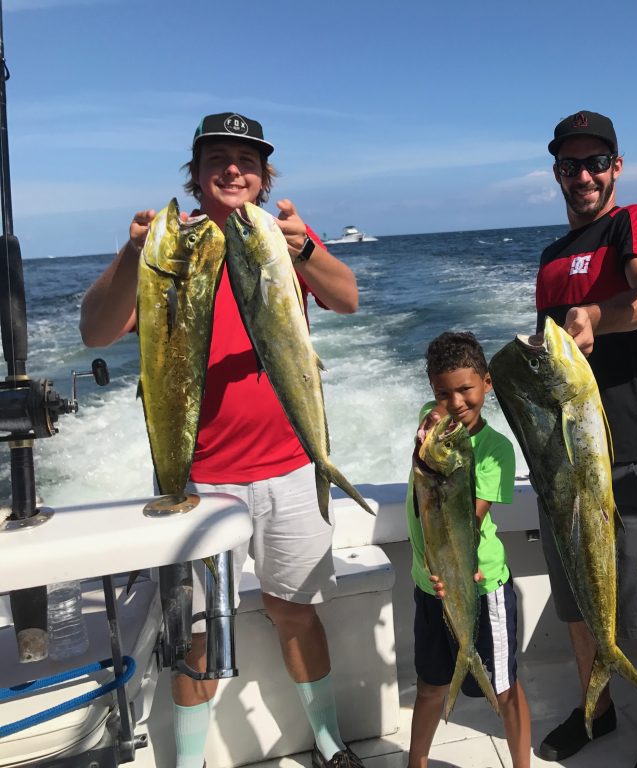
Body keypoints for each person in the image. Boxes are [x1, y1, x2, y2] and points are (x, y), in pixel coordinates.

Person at [79, 112, 366, 768]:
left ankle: (328, 741)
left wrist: (306, 251)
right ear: (197, 171)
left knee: (293, 610)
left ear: (265, 177)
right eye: (218, 158)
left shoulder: (279, 236)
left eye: (248, 160)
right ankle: (188, 762)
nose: (233, 169)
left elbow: (347, 298)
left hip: (292, 465)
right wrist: (133, 254)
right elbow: (96, 332)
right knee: (196, 634)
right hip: (198, 479)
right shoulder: (169, 246)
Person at [534, 110, 637, 768]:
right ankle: (595, 708)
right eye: (572, 165)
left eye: (597, 163)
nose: (585, 175)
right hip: (561, 453)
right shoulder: (548, 256)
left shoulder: (632, 225)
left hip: (625, 444)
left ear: (617, 167)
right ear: (558, 174)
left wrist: (596, 314)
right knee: (575, 596)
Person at [404, 331, 531, 768]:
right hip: (429, 583)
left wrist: (452, 566)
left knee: (505, 688)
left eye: (465, 389)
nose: (455, 402)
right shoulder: (431, 421)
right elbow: (425, 441)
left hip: (480, 584)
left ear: (487, 383)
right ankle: (415, 761)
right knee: (429, 684)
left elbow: (466, 522)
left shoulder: (496, 450)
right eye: (443, 393)